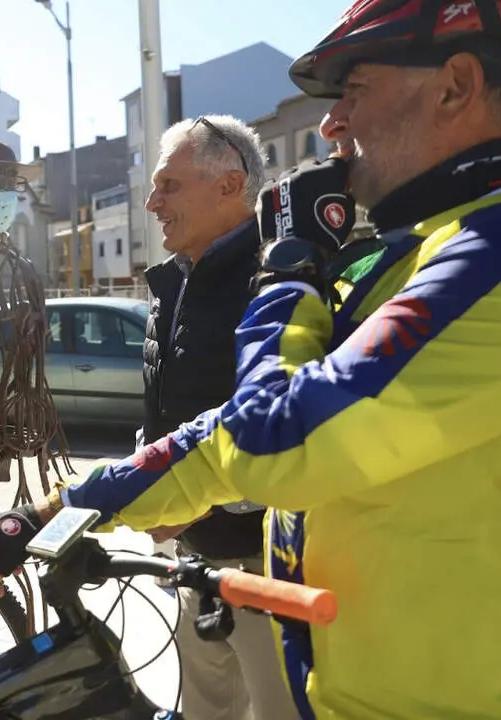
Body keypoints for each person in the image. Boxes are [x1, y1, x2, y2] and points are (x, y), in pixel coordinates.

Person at [0, 1, 501, 717]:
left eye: (353, 91)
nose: (333, 125)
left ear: (456, 85)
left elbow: (275, 436)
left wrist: (287, 273)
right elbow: (221, 435)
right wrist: (53, 512)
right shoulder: (421, 252)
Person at [139, 114, 297, 720]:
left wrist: (193, 502)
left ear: (230, 186)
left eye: (169, 186)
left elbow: (293, 433)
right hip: (195, 563)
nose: (153, 203)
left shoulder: (279, 280)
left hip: (267, 569)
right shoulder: (172, 281)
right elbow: (168, 407)